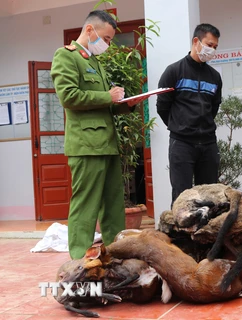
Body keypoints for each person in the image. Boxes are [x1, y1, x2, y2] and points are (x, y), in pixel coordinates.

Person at [51, 10, 145, 259]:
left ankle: (116, 254)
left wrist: (128, 102)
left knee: (113, 205)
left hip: (107, 143)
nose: (108, 44)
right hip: (86, 145)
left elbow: (105, 105)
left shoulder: (94, 62)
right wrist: (108, 96)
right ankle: (80, 260)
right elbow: (69, 97)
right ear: (90, 30)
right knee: (86, 204)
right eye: (107, 38)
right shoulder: (66, 56)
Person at [156, 23, 222, 205]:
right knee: (181, 196)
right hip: (182, 144)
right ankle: (180, 234)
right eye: (209, 45)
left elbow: (214, 107)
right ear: (196, 41)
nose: (212, 50)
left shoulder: (215, 77)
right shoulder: (174, 71)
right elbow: (162, 106)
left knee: (209, 196)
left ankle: (206, 234)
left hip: (208, 143)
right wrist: (179, 126)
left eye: (215, 47)